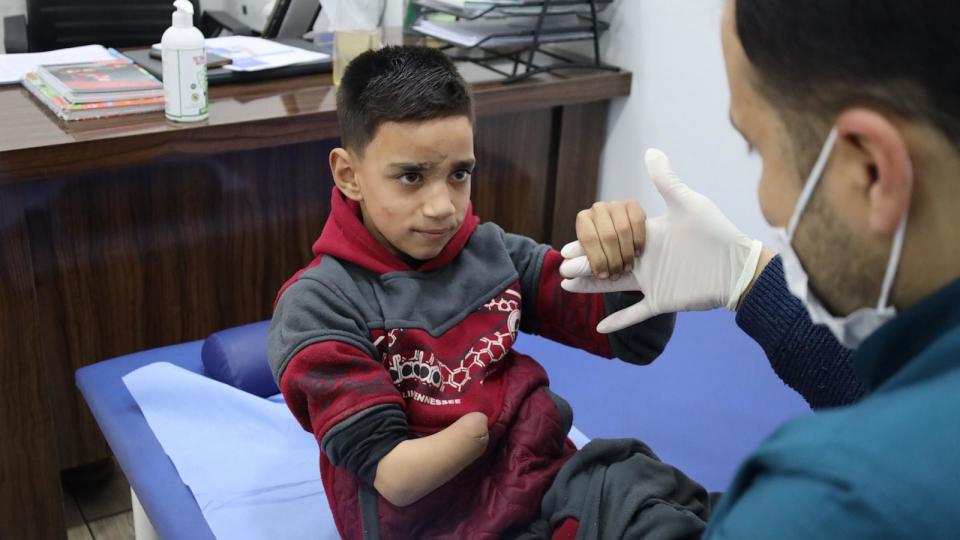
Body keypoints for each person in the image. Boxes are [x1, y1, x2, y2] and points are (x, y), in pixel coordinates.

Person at [267, 45, 714, 539]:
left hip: (545, 477)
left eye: (459, 173)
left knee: (658, 502)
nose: (443, 207)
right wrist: (489, 425)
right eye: (411, 177)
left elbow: (631, 339)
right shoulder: (318, 306)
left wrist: (637, 261)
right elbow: (396, 476)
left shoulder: (491, 252)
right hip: (438, 523)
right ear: (349, 175)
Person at [562, 0, 960, 537]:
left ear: (870, 170)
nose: (767, 201)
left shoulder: (821, 504)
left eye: (757, 150)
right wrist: (749, 278)